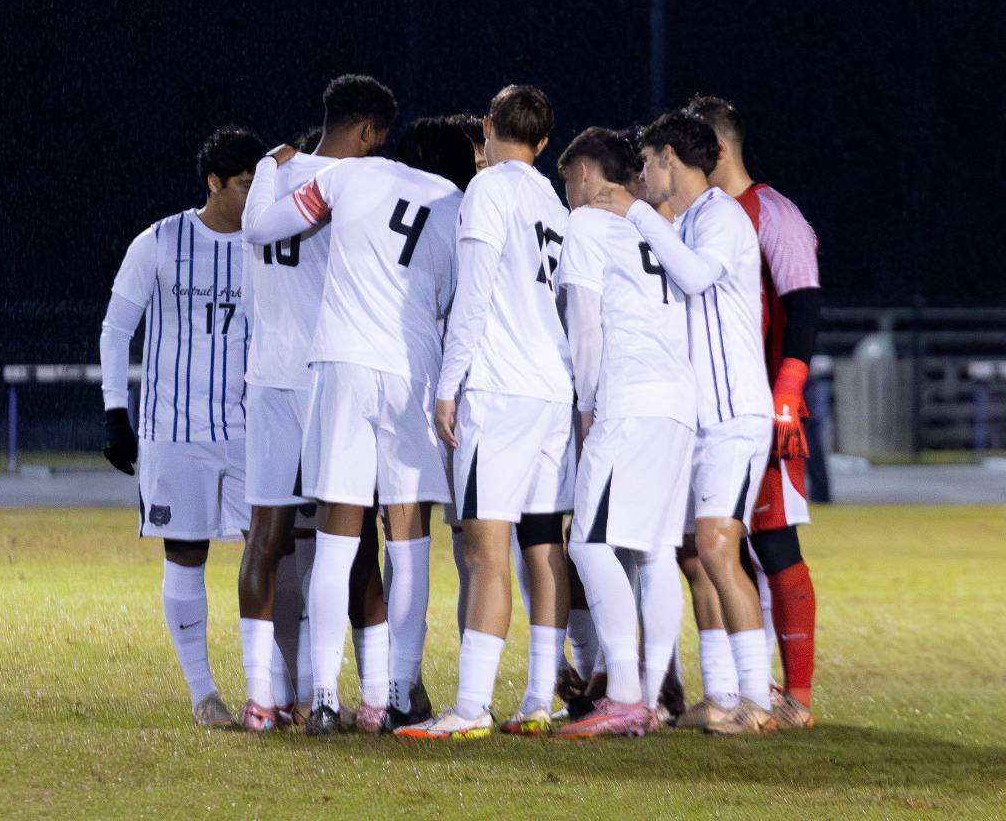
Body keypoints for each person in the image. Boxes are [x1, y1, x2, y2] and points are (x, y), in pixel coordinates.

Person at [240, 116, 466, 735]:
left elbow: (260, 226)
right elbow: (452, 304)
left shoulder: (347, 175)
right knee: (408, 546)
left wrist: (268, 165)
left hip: (339, 366)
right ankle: (390, 698)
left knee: (337, 544)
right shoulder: (454, 204)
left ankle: (324, 701)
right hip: (410, 370)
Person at [593, 110, 775, 734]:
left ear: (670, 157)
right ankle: (723, 696)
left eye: (647, 162)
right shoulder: (692, 221)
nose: (642, 176)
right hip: (701, 417)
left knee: (721, 550)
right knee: (700, 556)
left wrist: (639, 214)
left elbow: (697, 278)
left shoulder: (720, 214)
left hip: (735, 413)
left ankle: (757, 699)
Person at [400, 87, 574, 740]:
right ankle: (536, 697)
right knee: (540, 541)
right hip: (551, 389)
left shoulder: (488, 191)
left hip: (499, 390)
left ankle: (471, 706)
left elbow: (471, 299)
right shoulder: (551, 203)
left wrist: (450, 385)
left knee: (484, 549)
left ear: (488, 127)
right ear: (546, 143)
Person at [235, 76, 400, 731]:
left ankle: (262, 698)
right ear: (364, 132)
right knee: (354, 545)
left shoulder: (272, 175)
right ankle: (376, 697)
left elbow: (252, 239)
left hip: (268, 376)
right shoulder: (351, 188)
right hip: (329, 374)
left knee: (266, 538)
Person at [98, 125, 267, 729]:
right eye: (246, 184)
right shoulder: (160, 241)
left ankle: (271, 690)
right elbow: (117, 329)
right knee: (186, 554)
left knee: (270, 554)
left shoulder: (267, 244)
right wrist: (117, 412)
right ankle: (204, 694)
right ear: (215, 182)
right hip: (175, 431)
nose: (255, 197)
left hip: (251, 428)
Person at [549, 128, 695, 738]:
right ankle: (656, 696)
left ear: (584, 174)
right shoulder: (656, 227)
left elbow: (584, 320)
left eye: (567, 183)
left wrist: (586, 401)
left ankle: (627, 695)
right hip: (677, 400)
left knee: (588, 544)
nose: (567, 195)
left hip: (628, 398)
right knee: (655, 549)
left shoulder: (587, 224)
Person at [686, 95, 823, 728]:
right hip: (712, 410)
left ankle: (797, 698)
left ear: (715, 149)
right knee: (719, 551)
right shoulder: (701, 215)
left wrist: (786, 397)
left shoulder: (774, 214)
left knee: (774, 544)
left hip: (762, 409)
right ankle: (748, 689)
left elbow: (805, 309)